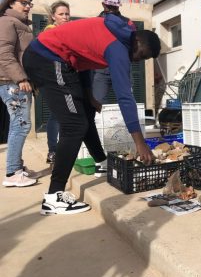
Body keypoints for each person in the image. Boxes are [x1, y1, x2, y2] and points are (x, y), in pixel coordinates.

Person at [23, 14, 160, 215]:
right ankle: (54, 197)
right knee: (74, 126)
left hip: (54, 59)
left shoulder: (116, 36)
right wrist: (140, 142)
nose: (139, 60)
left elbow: (83, 62)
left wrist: (89, 97)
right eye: (142, 55)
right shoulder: (118, 47)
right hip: (48, 57)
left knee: (84, 113)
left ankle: (101, 162)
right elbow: (125, 96)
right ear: (137, 40)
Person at [0, 0, 38, 187]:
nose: (28, 6)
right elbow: (4, 54)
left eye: (30, 3)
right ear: (10, 4)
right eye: (24, 2)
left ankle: (17, 167)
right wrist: (21, 78)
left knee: (20, 124)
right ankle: (13, 172)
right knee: (21, 126)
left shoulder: (19, 23)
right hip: (13, 83)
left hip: (16, 82)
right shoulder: (7, 22)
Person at [43, 0, 71, 164]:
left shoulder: (66, 29)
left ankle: (57, 150)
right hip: (54, 77)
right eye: (61, 14)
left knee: (60, 115)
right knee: (56, 115)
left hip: (64, 76)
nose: (65, 17)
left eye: (67, 13)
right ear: (53, 16)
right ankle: (53, 151)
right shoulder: (51, 30)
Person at [91, 0, 132, 105]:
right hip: (101, 69)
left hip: (122, 67)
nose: (112, 9)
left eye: (114, 6)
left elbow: (133, 42)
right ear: (103, 5)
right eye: (109, 6)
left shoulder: (127, 22)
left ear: (118, 6)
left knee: (127, 99)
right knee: (98, 102)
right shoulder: (96, 22)